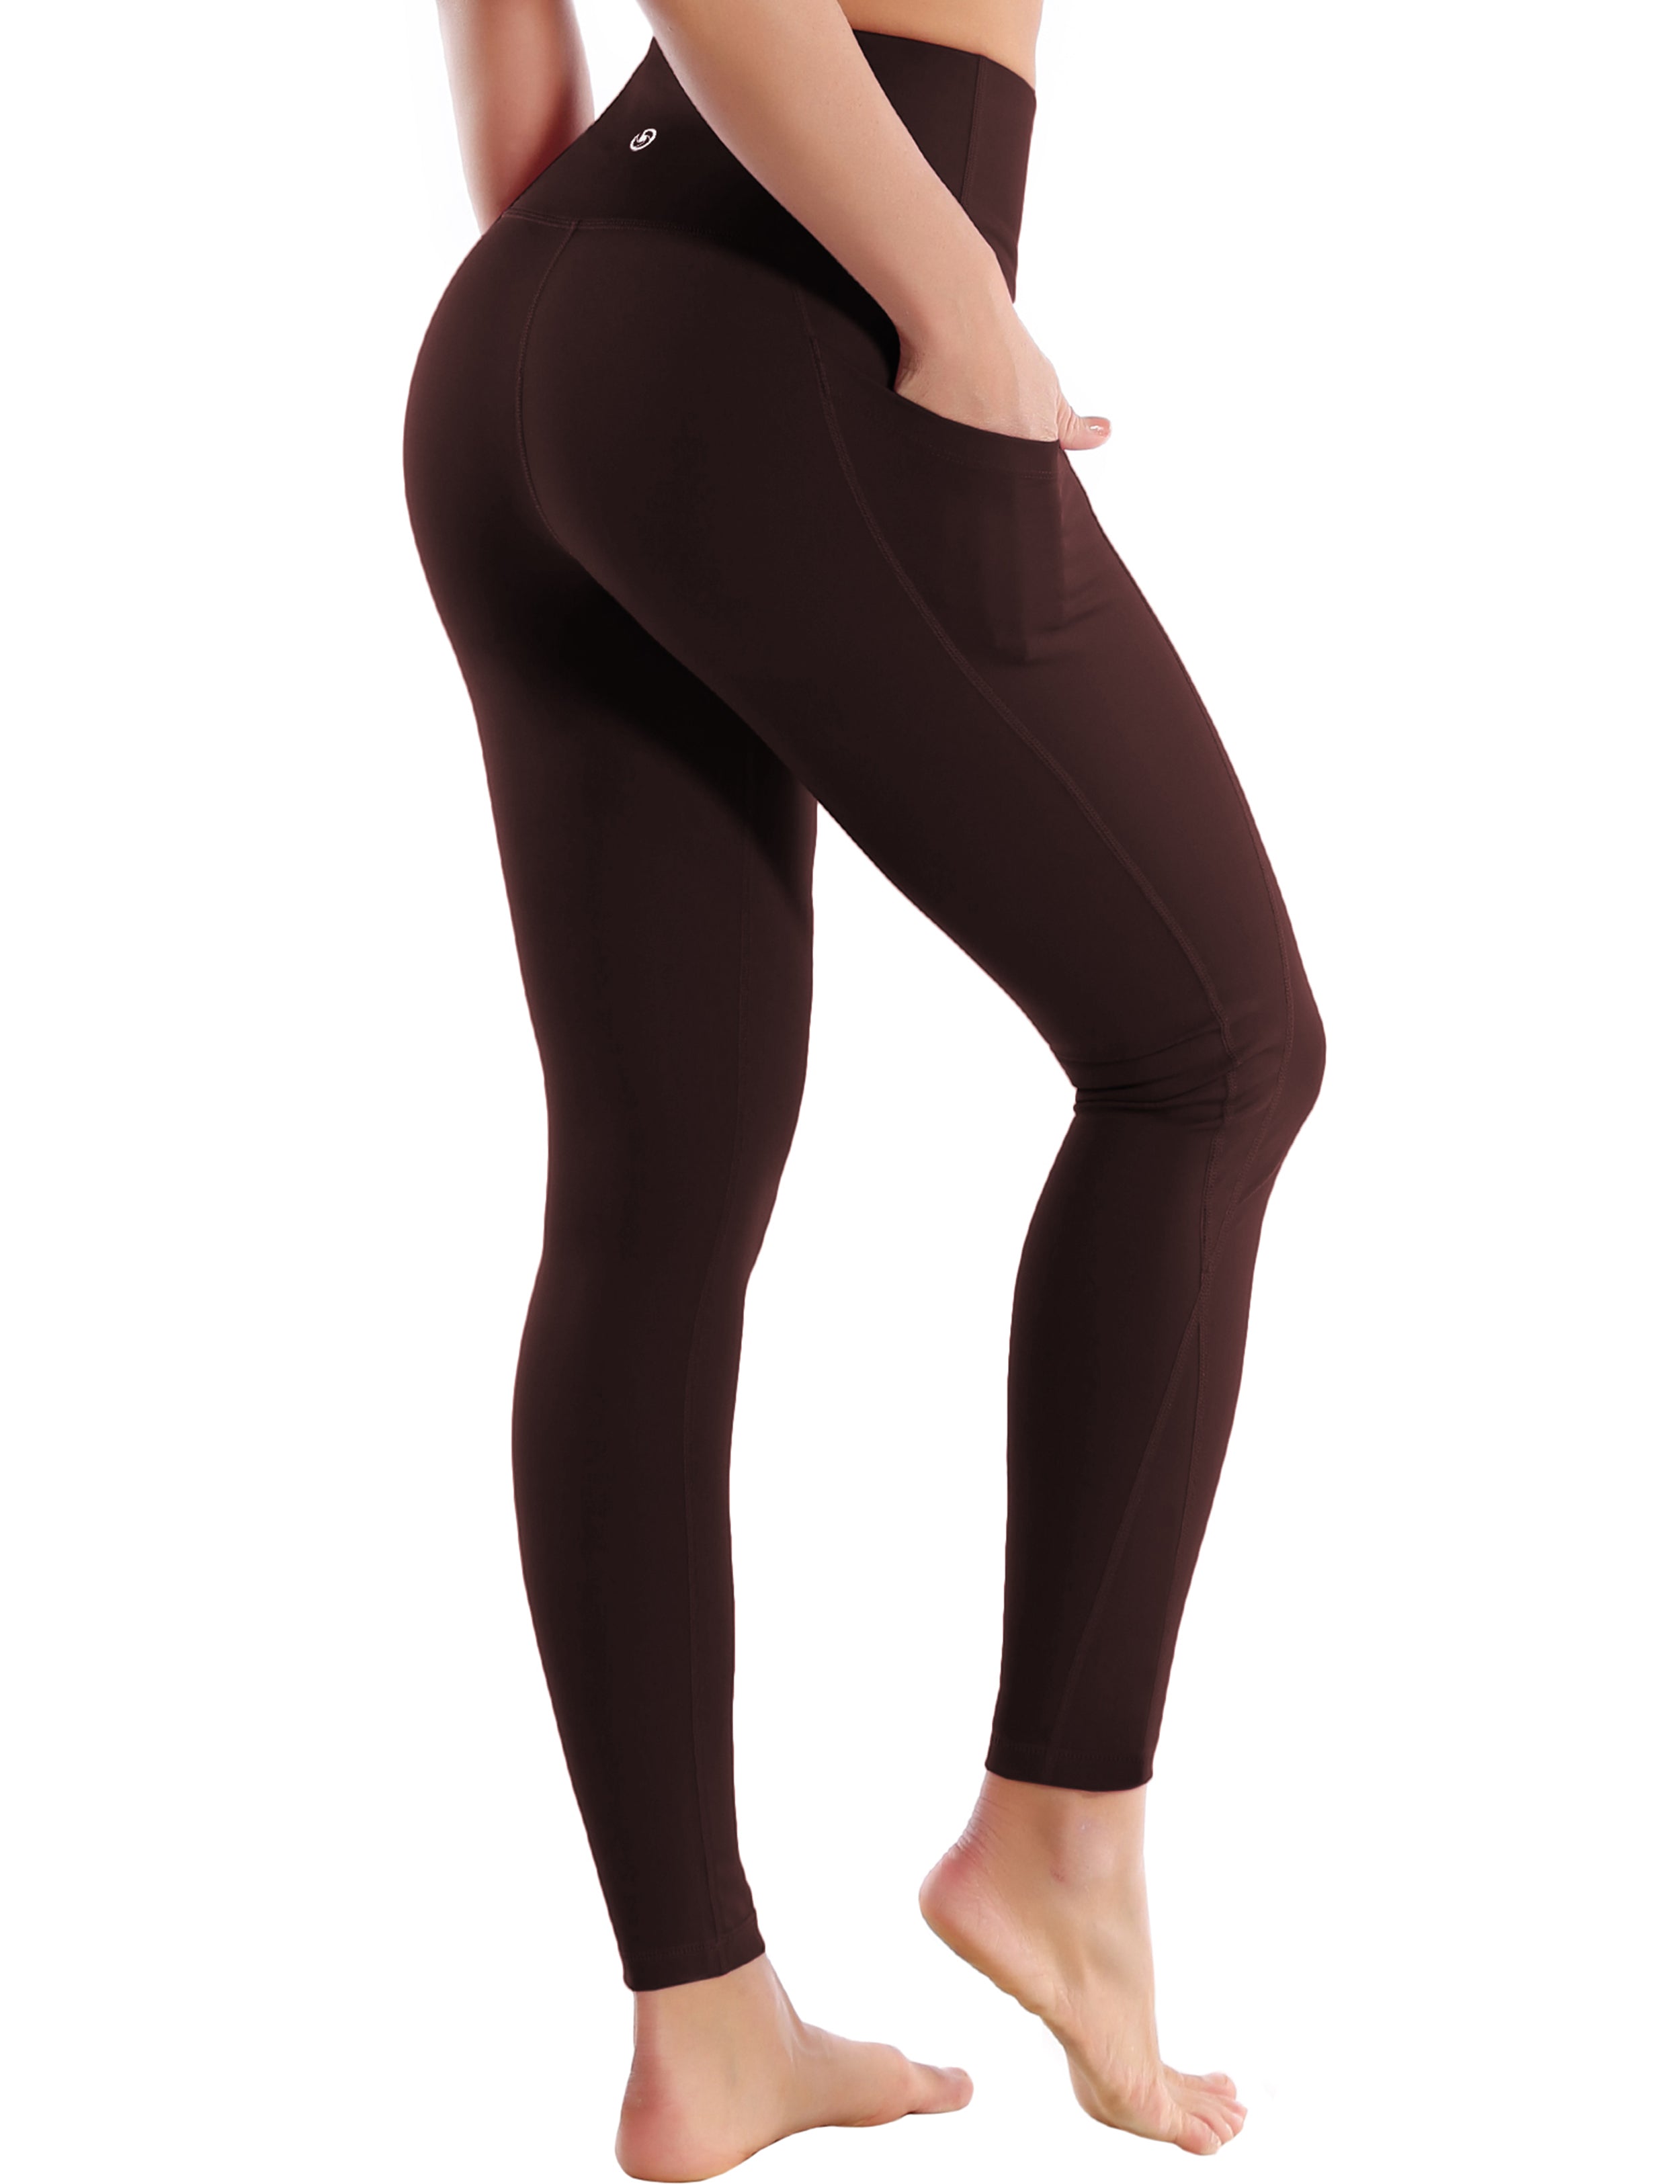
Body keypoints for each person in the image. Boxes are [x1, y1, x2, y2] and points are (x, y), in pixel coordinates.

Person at [403, 0, 1325, 2173]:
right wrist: (945, 300)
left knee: (647, 1198)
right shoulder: (880, 291)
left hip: (537, 327)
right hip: (796, 304)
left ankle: (704, 2022)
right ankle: (1056, 1836)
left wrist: (603, 314)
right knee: (1208, 1054)